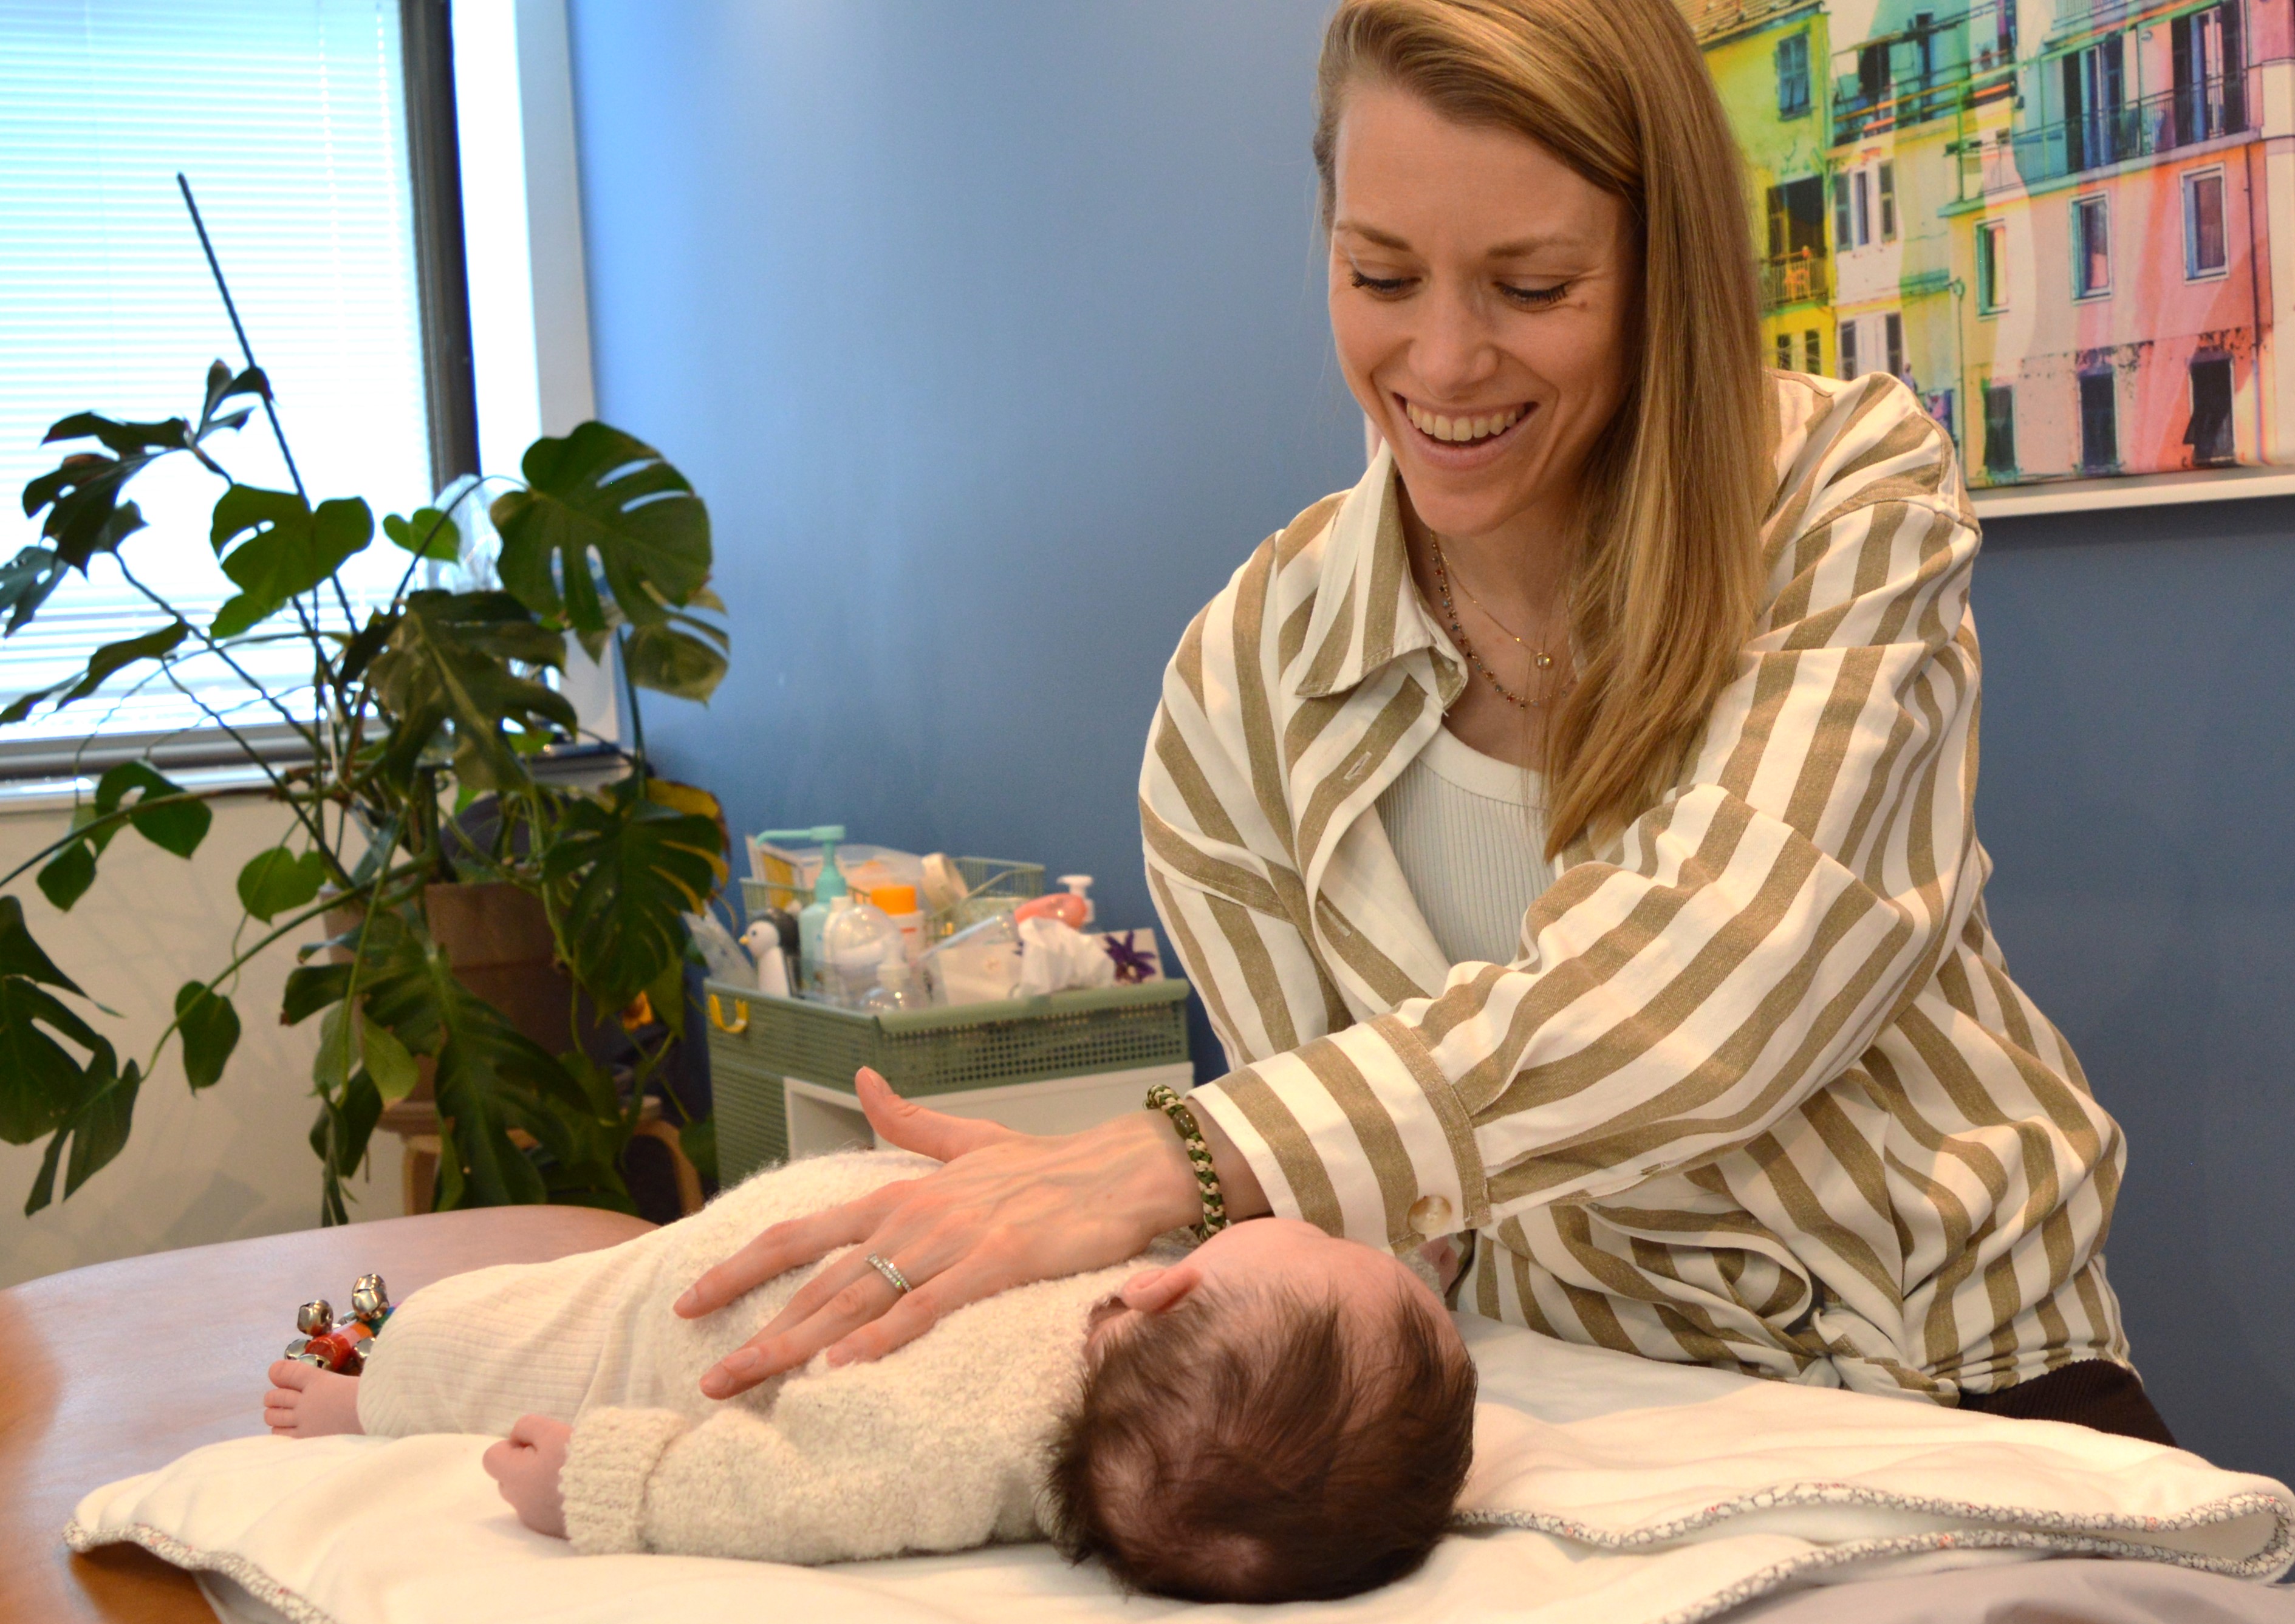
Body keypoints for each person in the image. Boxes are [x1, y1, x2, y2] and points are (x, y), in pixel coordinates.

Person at [671, 0, 2172, 1447]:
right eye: (1379, 277)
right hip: (1569, 1415)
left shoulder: (1839, 497)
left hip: (1965, 1388)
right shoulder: (1243, 690)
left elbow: (1720, 983)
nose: (1443, 364)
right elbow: (1387, 1223)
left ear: (1665, 273)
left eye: (1529, 289)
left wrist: (1184, 1156)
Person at [261, 1122, 1479, 1603]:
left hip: (661, 1326)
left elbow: (793, 1485)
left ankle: (362, 1393)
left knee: (477, 1329)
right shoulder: (1147, 1300)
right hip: (794, 1231)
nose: (1325, 1226)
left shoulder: (971, 1425)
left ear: (1176, 1286)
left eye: (1320, 1240)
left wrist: (601, 1480)